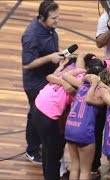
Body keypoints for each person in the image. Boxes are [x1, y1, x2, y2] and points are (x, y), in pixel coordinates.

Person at [21, 0, 64, 164]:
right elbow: (27, 63)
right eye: (53, 18)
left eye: (57, 17)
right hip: (35, 83)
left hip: (47, 78)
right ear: (42, 17)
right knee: (35, 115)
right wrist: (50, 58)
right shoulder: (31, 36)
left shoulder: (50, 28)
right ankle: (32, 150)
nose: (57, 21)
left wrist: (58, 58)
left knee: (38, 114)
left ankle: (39, 144)